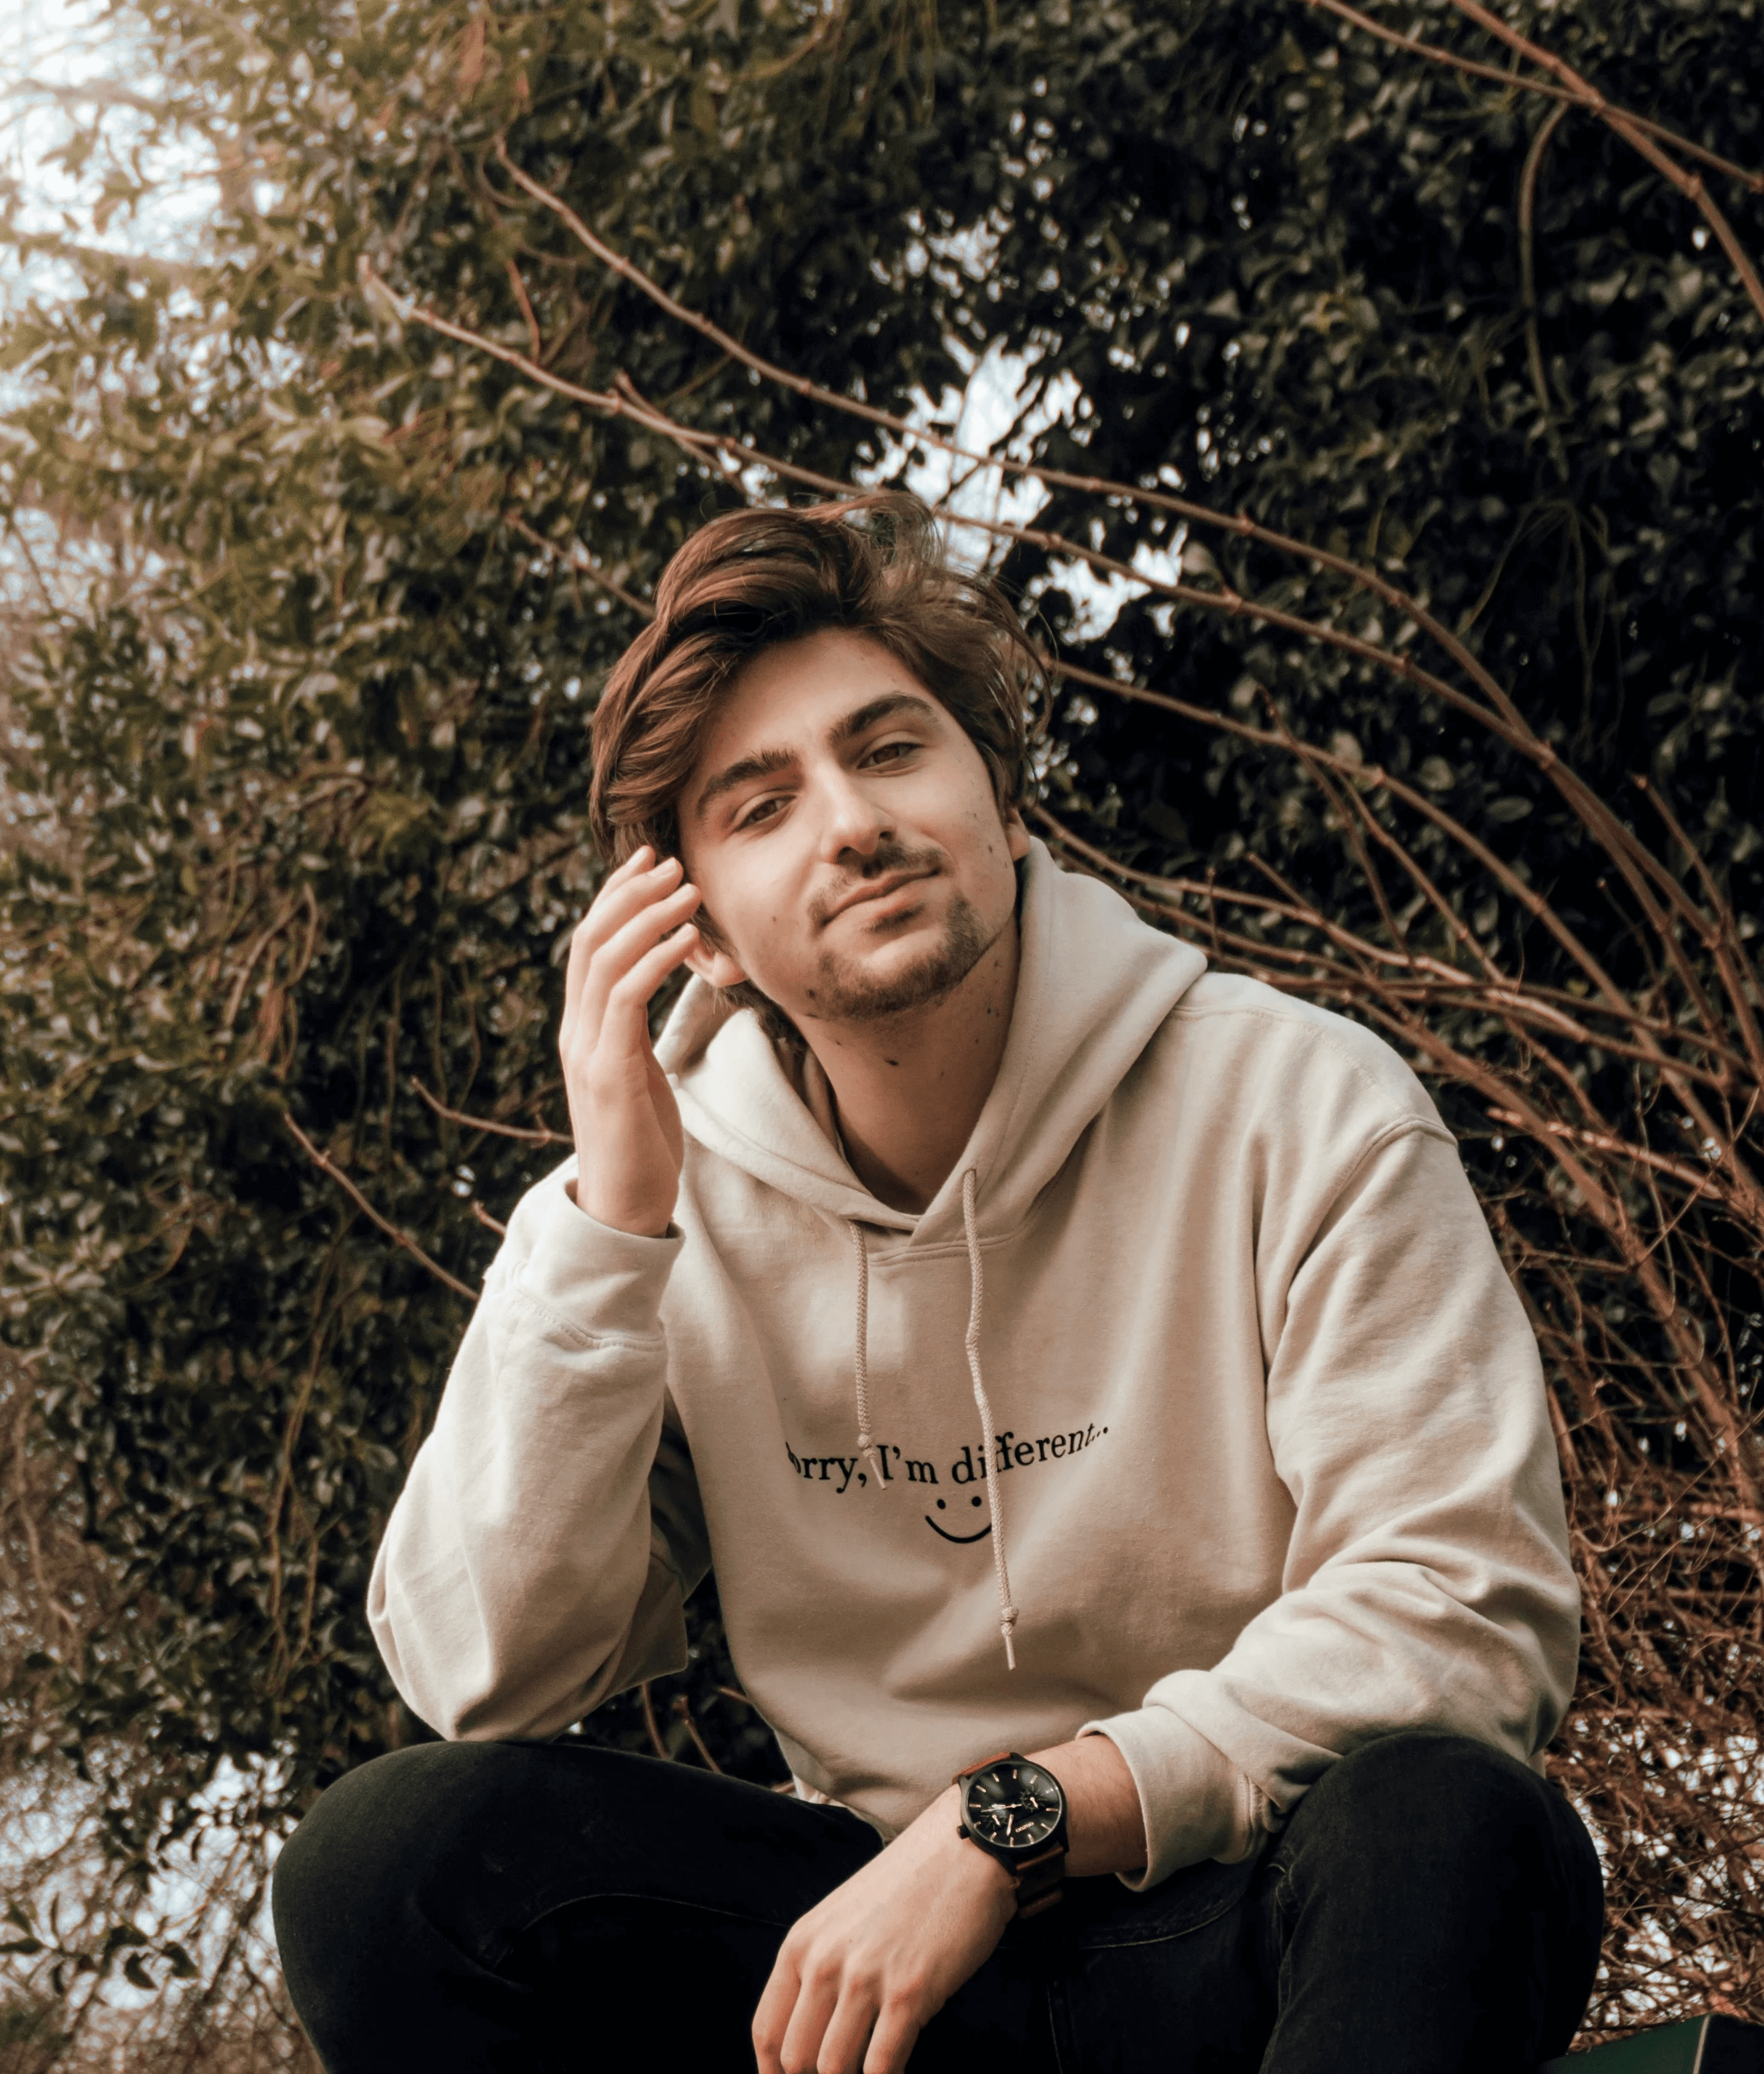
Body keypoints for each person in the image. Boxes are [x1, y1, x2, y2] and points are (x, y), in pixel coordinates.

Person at [272, 492, 1603, 2074]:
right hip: (885, 1999)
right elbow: (487, 1670)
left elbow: (1462, 1613)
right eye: (757, 808)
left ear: (1002, 800)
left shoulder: (1298, 1105)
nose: (847, 823)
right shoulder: (660, 1211)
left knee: (1446, 1810)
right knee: (390, 1871)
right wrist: (606, 1218)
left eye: (890, 750)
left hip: (1246, 1931)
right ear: (688, 927)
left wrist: (1017, 1821)